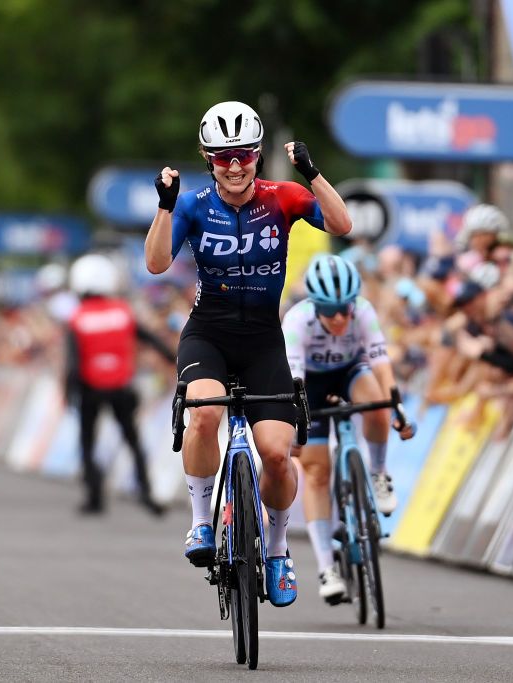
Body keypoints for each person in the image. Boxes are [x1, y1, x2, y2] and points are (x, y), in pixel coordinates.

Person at [145, 100, 352, 607]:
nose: (234, 166)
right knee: (204, 414)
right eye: (222, 157)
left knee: (279, 456)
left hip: (263, 339)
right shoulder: (193, 205)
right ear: (206, 158)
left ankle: (278, 551)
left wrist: (313, 172)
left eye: (243, 155)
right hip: (208, 335)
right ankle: (199, 522)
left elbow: (341, 224)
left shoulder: (283, 197)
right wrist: (166, 205)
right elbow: (154, 264)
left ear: (257, 155)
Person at [282, 255, 414, 602]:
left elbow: (382, 365)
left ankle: (378, 473)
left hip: (350, 372)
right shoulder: (297, 321)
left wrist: (395, 407)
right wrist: (297, 423)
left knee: (377, 403)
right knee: (316, 473)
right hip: (308, 384)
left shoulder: (365, 311)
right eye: (330, 310)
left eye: (345, 309)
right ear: (315, 305)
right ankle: (327, 567)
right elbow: (294, 380)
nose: (340, 318)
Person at [64, 253, 174, 516]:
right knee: (132, 440)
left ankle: (94, 497)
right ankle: (146, 492)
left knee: (88, 442)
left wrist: (69, 392)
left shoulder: (77, 318)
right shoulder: (122, 312)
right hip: (121, 386)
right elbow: (151, 339)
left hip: (91, 388)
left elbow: (72, 362)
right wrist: (173, 357)